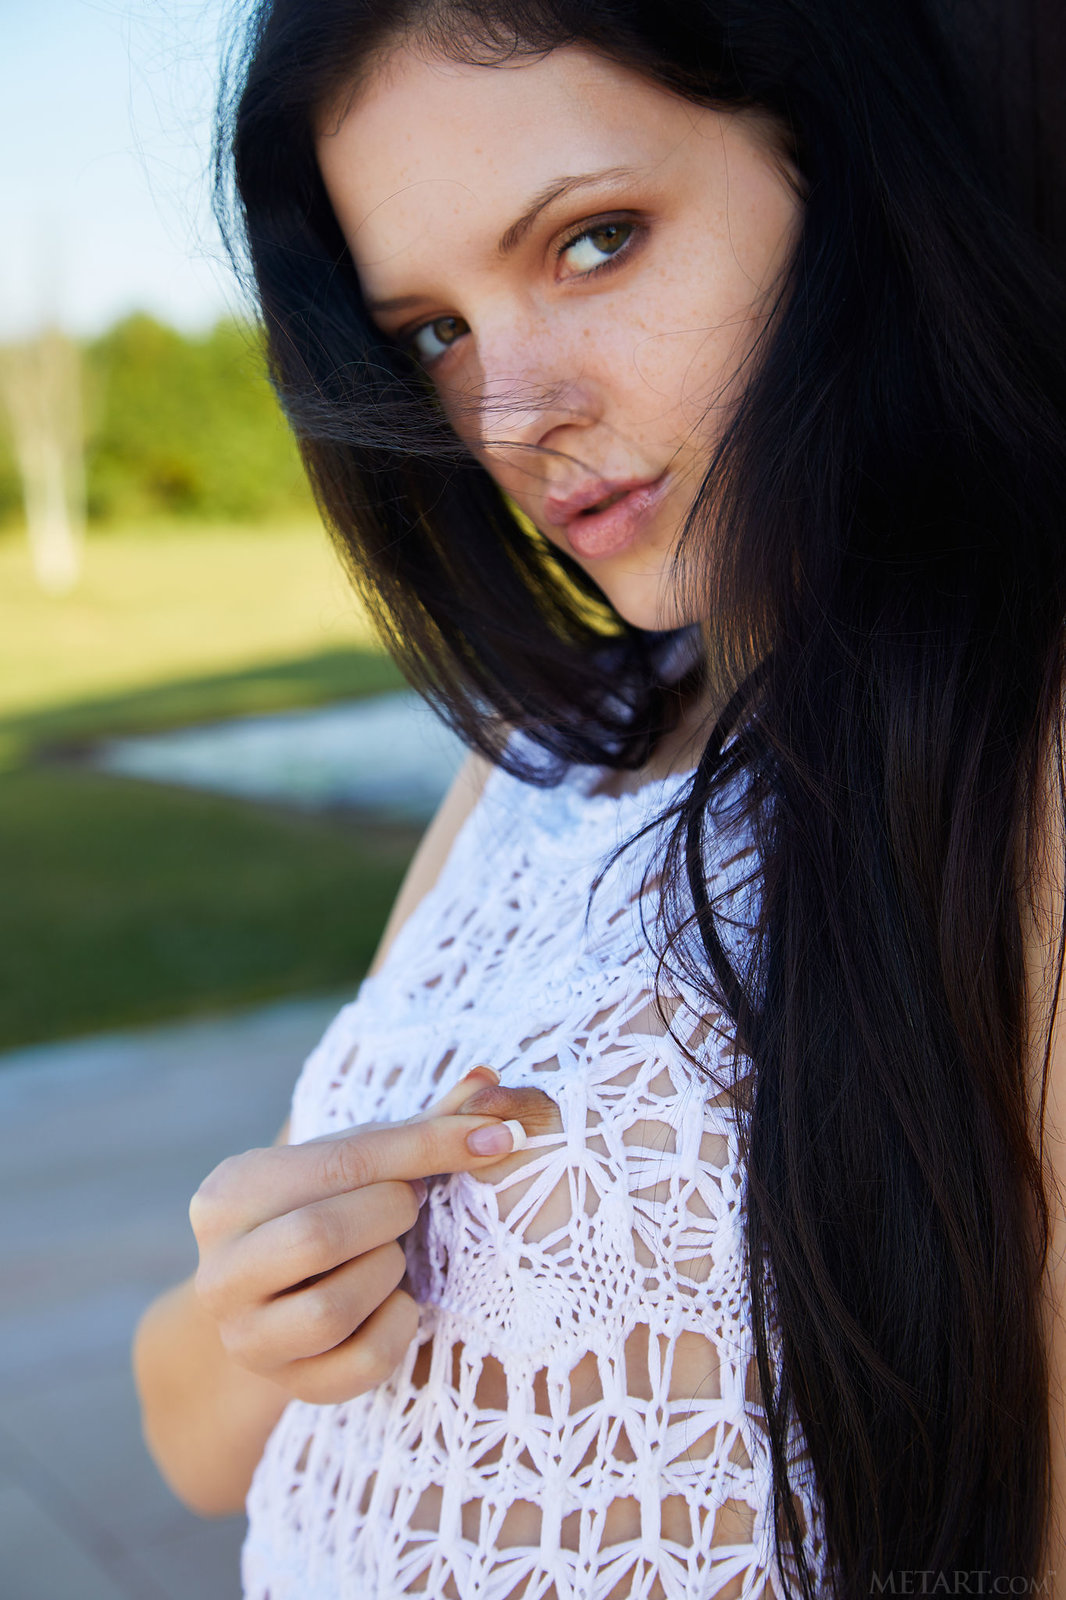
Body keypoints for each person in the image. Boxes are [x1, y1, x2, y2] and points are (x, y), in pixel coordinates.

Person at [132, 1, 1066, 1594]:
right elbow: (195, 1444)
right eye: (432, 332)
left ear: (833, 164)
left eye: (592, 241)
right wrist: (259, 1303)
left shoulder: (1010, 757)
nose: (509, 417)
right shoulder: (535, 758)